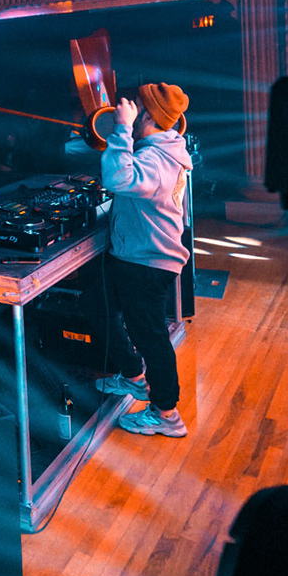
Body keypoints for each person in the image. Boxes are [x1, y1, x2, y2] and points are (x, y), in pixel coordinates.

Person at [97, 82, 194, 437]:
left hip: (148, 262)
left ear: (150, 116)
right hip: (140, 256)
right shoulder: (162, 150)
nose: (132, 110)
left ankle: (167, 414)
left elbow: (118, 178)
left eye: (138, 107)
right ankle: (134, 378)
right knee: (112, 312)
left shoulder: (156, 158)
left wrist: (122, 127)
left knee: (151, 338)